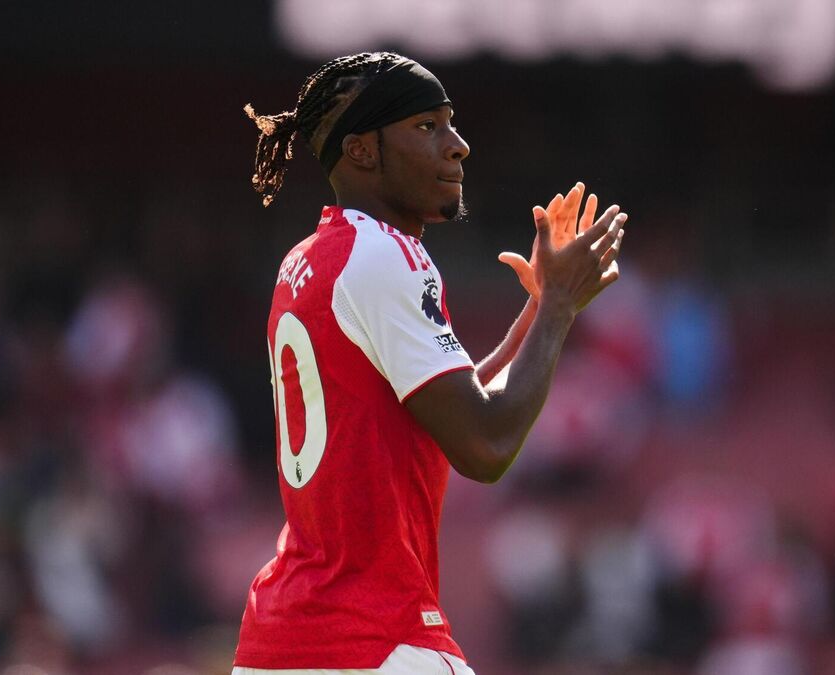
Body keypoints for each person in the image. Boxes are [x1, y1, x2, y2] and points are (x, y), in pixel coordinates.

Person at [233, 52, 627, 674]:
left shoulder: (309, 259)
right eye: (426, 126)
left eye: (450, 123)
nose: (458, 145)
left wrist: (540, 310)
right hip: (374, 635)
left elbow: (442, 411)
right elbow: (486, 446)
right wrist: (557, 309)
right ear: (362, 151)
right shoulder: (386, 255)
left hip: (280, 642)